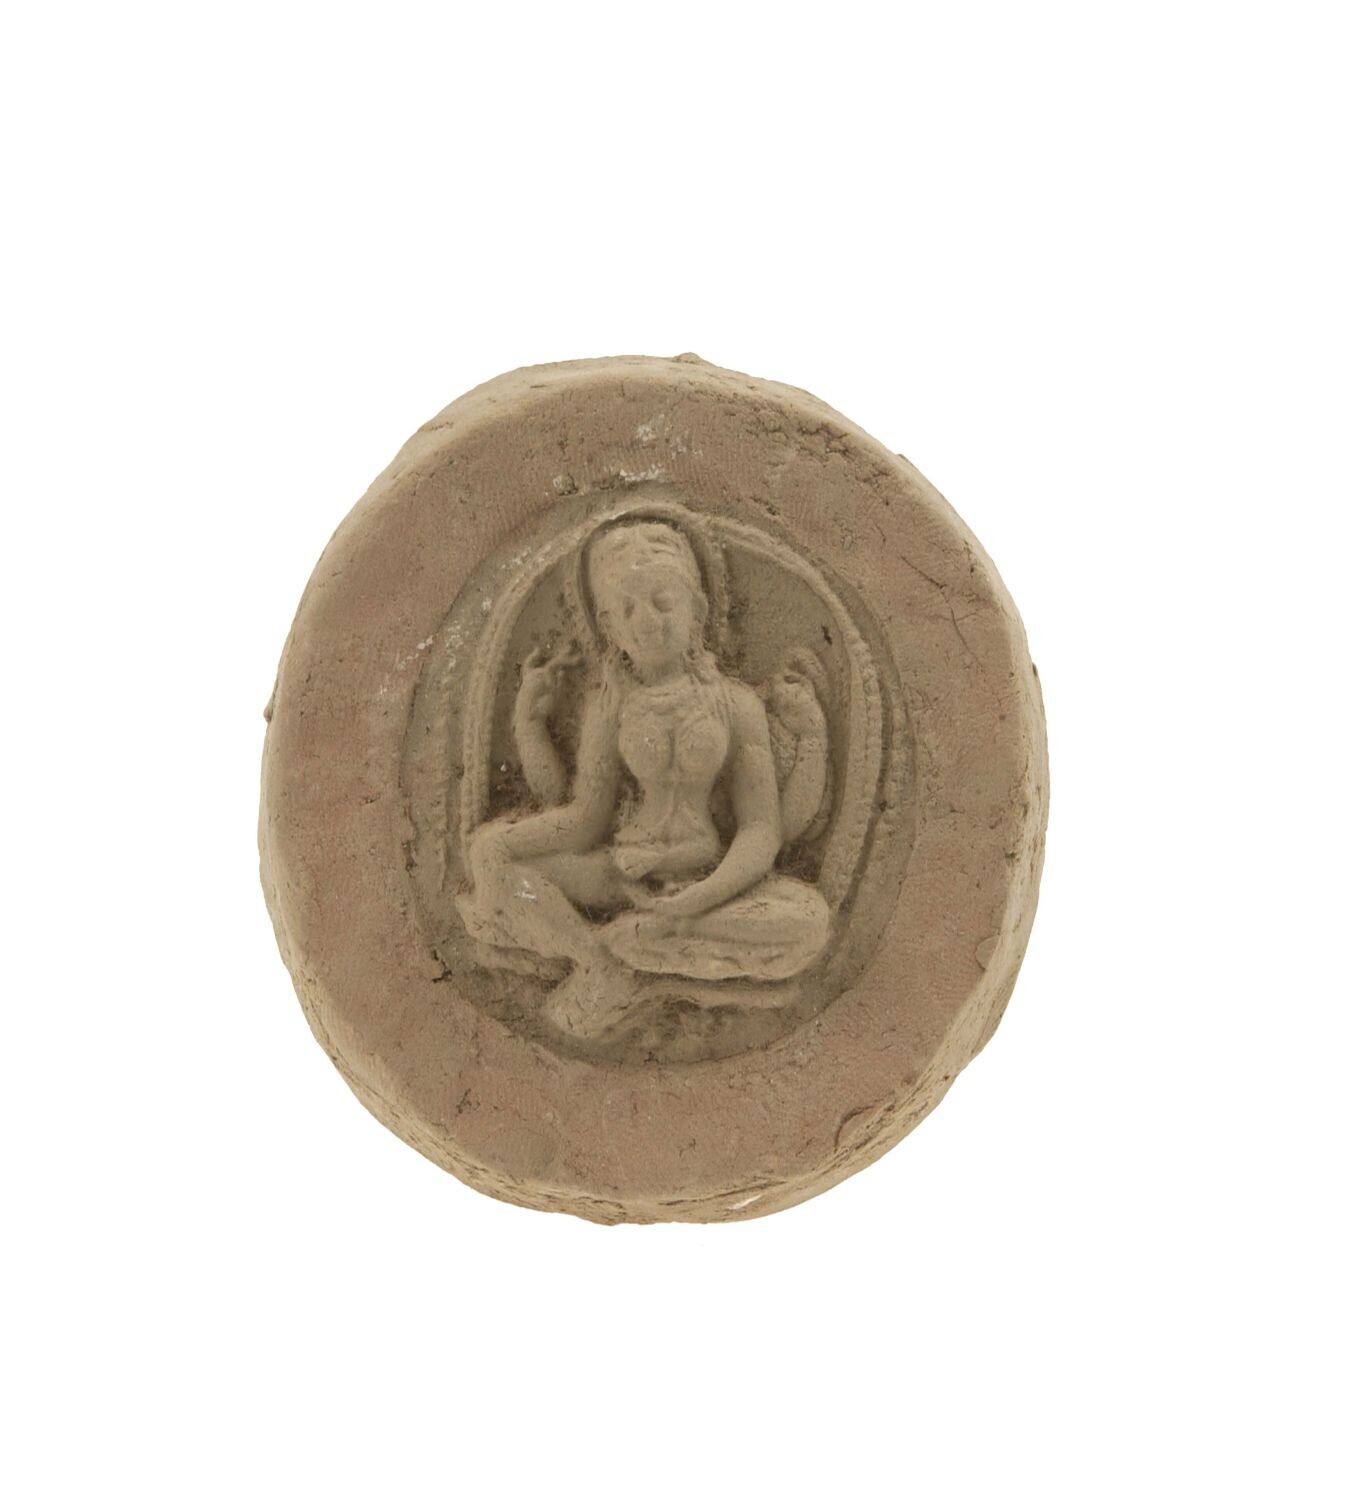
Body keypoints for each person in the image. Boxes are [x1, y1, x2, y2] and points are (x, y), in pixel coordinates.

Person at [456, 519, 829, 1036]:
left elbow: (762, 831)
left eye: (662, 601)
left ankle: (640, 939)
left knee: (810, 920)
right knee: (489, 858)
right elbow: (584, 818)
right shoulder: (611, 706)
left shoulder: (736, 705)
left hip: (708, 883)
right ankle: (599, 959)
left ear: (698, 609)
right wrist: (504, 836)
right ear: (608, 627)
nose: (647, 623)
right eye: (628, 610)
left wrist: (698, 898)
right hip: (619, 873)